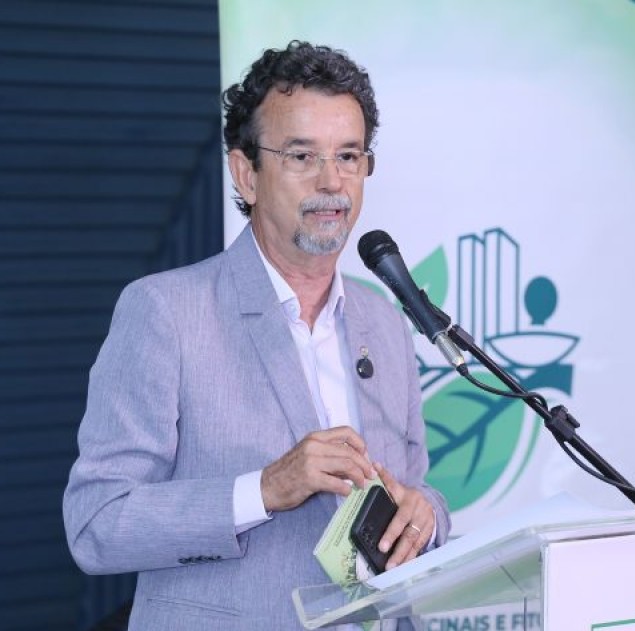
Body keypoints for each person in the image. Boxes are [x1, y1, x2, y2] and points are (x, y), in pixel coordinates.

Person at [63, 40, 450, 630]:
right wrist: (265, 489)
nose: (332, 181)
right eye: (302, 156)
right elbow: (97, 523)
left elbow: (416, 489)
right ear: (247, 174)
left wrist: (427, 516)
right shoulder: (166, 312)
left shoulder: (386, 323)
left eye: (349, 155)